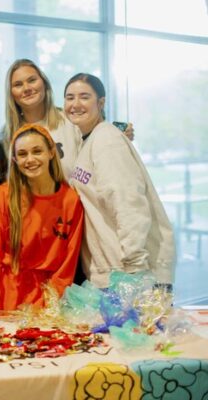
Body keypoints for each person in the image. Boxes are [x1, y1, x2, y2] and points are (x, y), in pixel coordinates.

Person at [63, 73, 175, 288]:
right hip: (113, 270)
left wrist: (134, 265)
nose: (75, 104)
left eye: (84, 97)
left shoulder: (107, 139)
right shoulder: (89, 140)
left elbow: (128, 201)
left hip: (129, 273)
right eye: (69, 97)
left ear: (101, 102)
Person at [0, 124, 84, 315]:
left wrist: (46, 308)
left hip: (50, 299)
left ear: (51, 152)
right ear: (15, 160)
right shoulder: (3, 197)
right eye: (23, 154)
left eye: (37, 151)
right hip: (8, 296)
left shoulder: (70, 200)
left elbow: (67, 266)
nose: (30, 159)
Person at [4, 59, 134, 178]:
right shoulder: (6, 135)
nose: (27, 88)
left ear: (44, 84)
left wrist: (119, 130)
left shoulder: (71, 119)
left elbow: (100, 131)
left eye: (32, 80)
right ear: (11, 93)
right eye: (18, 84)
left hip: (76, 202)